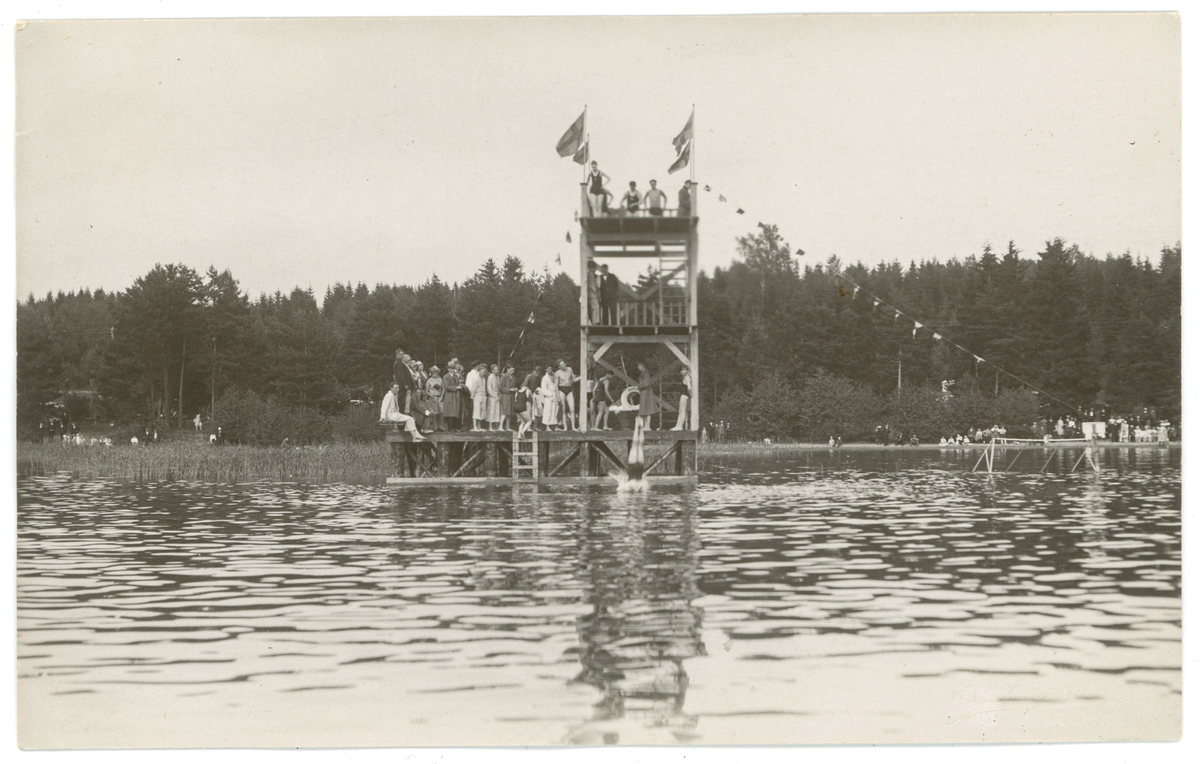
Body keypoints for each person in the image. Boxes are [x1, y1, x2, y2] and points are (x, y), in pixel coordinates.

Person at [554, 359, 578, 430]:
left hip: (569, 388)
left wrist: (582, 376)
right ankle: (565, 427)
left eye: (564, 363)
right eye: (562, 365)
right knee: (563, 409)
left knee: (572, 408)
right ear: (559, 367)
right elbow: (556, 385)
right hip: (561, 389)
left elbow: (574, 380)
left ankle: (573, 427)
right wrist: (558, 396)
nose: (564, 365)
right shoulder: (557, 373)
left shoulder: (570, 369)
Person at [636, 361, 660, 429]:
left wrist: (639, 386)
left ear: (642, 365)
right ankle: (645, 425)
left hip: (646, 393)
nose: (638, 367)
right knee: (644, 410)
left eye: (638, 366)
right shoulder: (643, 374)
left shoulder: (646, 374)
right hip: (644, 393)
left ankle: (647, 426)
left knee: (647, 410)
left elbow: (646, 384)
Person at [442, 360, 463, 431]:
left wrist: (460, 384)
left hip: (455, 396)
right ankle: (450, 428)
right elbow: (447, 387)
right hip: (449, 395)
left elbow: (459, 382)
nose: (452, 370)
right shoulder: (445, 377)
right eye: (450, 368)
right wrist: (456, 387)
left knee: (455, 411)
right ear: (448, 369)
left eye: (453, 368)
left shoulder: (456, 376)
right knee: (450, 411)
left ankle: (454, 427)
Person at [466, 361, 486, 431]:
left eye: (484, 372)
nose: (484, 373)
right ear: (479, 371)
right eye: (482, 372)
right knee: (476, 411)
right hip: (477, 396)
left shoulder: (483, 378)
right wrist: (472, 396)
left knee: (481, 411)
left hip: (483, 395)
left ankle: (479, 426)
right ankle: (474, 426)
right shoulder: (476, 378)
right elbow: (474, 388)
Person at [393, 349, 414, 414]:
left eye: (403, 354)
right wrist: (405, 384)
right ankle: (400, 416)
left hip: (402, 386)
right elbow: (400, 375)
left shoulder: (400, 363)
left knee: (403, 402)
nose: (403, 356)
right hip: (402, 387)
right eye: (401, 354)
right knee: (401, 402)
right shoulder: (398, 363)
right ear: (397, 355)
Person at [426, 366, 445, 431]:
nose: (435, 374)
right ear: (431, 373)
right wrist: (431, 396)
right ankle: (434, 426)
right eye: (433, 373)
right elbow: (426, 391)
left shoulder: (440, 380)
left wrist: (441, 396)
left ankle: (441, 426)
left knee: (441, 412)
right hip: (433, 398)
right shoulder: (429, 381)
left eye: (436, 373)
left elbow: (443, 389)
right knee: (434, 413)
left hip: (439, 398)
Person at [499, 364, 516, 431]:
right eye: (511, 370)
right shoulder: (504, 377)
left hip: (511, 396)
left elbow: (512, 386)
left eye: (513, 370)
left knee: (510, 412)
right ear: (507, 369)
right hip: (505, 396)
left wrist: (514, 389)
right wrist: (509, 390)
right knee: (505, 411)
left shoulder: (514, 377)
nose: (513, 371)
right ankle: (500, 426)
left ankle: (507, 427)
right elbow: (500, 388)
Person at [486, 364, 502, 431]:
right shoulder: (490, 377)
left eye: (497, 369)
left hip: (497, 396)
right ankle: (490, 427)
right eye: (495, 369)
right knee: (491, 411)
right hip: (492, 397)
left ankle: (496, 426)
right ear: (492, 370)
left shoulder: (498, 377)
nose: (497, 370)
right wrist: (493, 395)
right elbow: (489, 387)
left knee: (497, 411)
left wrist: (498, 395)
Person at [586, 260, 601, 324]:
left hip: (592, 294)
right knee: (596, 307)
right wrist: (591, 287)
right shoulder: (587, 274)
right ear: (590, 268)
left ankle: (594, 322)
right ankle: (595, 322)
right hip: (590, 294)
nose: (594, 270)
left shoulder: (592, 275)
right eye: (593, 268)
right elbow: (586, 283)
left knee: (594, 308)